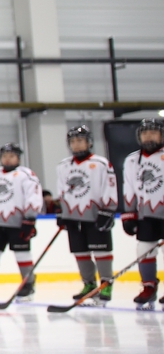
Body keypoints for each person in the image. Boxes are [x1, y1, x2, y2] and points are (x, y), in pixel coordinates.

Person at [55, 125, 118, 304]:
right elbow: (62, 190)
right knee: (80, 252)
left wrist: (108, 210)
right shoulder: (63, 165)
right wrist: (62, 212)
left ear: (89, 142)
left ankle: (105, 284)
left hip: (96, 214)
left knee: (101, 251)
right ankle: (88, 284)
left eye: (80, 141)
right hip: (73, 215)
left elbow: (110, 186)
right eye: (73, 141)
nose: (76, 145)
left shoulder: (101, 163)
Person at [0, 143, 42, 301]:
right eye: (5, 156)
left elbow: (33, 197)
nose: (7, 159)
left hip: (18, 223)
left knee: (22, 254)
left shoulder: (26, 175)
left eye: (11, 156)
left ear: (18, 157)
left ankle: (28, 284)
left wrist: (30, 219)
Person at [123, 118, 164, 307]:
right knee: (144, 250)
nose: (148, 136)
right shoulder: (132, 160)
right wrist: (129, 214)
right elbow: (129, 188)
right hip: (146, 214)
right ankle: (149, 286)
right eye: (145, 133)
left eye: (153, 132)